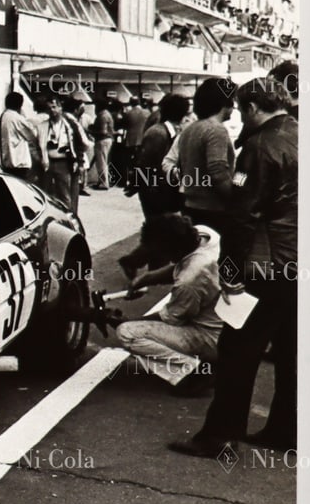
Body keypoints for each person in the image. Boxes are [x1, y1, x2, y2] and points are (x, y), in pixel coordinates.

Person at [170, 78, 297, 458]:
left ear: (254, 107)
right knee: (293, 350)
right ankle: (286, 429)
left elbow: (243, 216)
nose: (240, 117)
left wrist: (231, 275)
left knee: (239, 351)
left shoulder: (258, 147)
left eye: (242, 110)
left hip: (266, 263)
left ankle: (219, 435)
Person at [113, 214, 222, 395]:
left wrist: (128, 321)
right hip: (226, 322)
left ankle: (195, 371)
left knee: (127, 333)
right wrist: (148, 278)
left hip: (211, 337)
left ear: (172, 250)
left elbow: (171, 318)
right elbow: (184, 263)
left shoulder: (189, 281)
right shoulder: (206, 235)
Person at [161, 78, 235, 240]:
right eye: (232, 102)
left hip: (190, 205)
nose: (234, 108)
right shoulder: (216, 130)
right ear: (223, 103)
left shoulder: (190, 130)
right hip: (213, 209)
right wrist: (235, 197)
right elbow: (218, 170)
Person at [129, 94, 187, 219]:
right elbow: (145, 165)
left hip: (166, 192)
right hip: (157, 194)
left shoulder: (170, 131)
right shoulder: (158, 133)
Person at [37, 96, 86, 212]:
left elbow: (81, 144)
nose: (52, 110)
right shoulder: (42, 126)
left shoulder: (69, 125)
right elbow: (37, 145)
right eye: (49, 108)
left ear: (60, 107)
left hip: (64, 163)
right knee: (46, 193)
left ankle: (68, 219)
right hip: (48, 163)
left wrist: (80, 162)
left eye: (54, 107)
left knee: (65, 194)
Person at [0, 91, 44, 183]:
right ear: (20, 105)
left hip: (3, 163)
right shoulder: (17, 118)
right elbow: (32, 135)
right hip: (18, 164)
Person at [88, 100, 115, 190]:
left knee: (101, 162)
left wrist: (91, 131)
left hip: (102, 140)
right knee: (103, 161)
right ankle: (101, 181)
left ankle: (104, 183)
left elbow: (103, 131)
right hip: (107, 140)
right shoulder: (107, 114)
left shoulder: (102, 116)